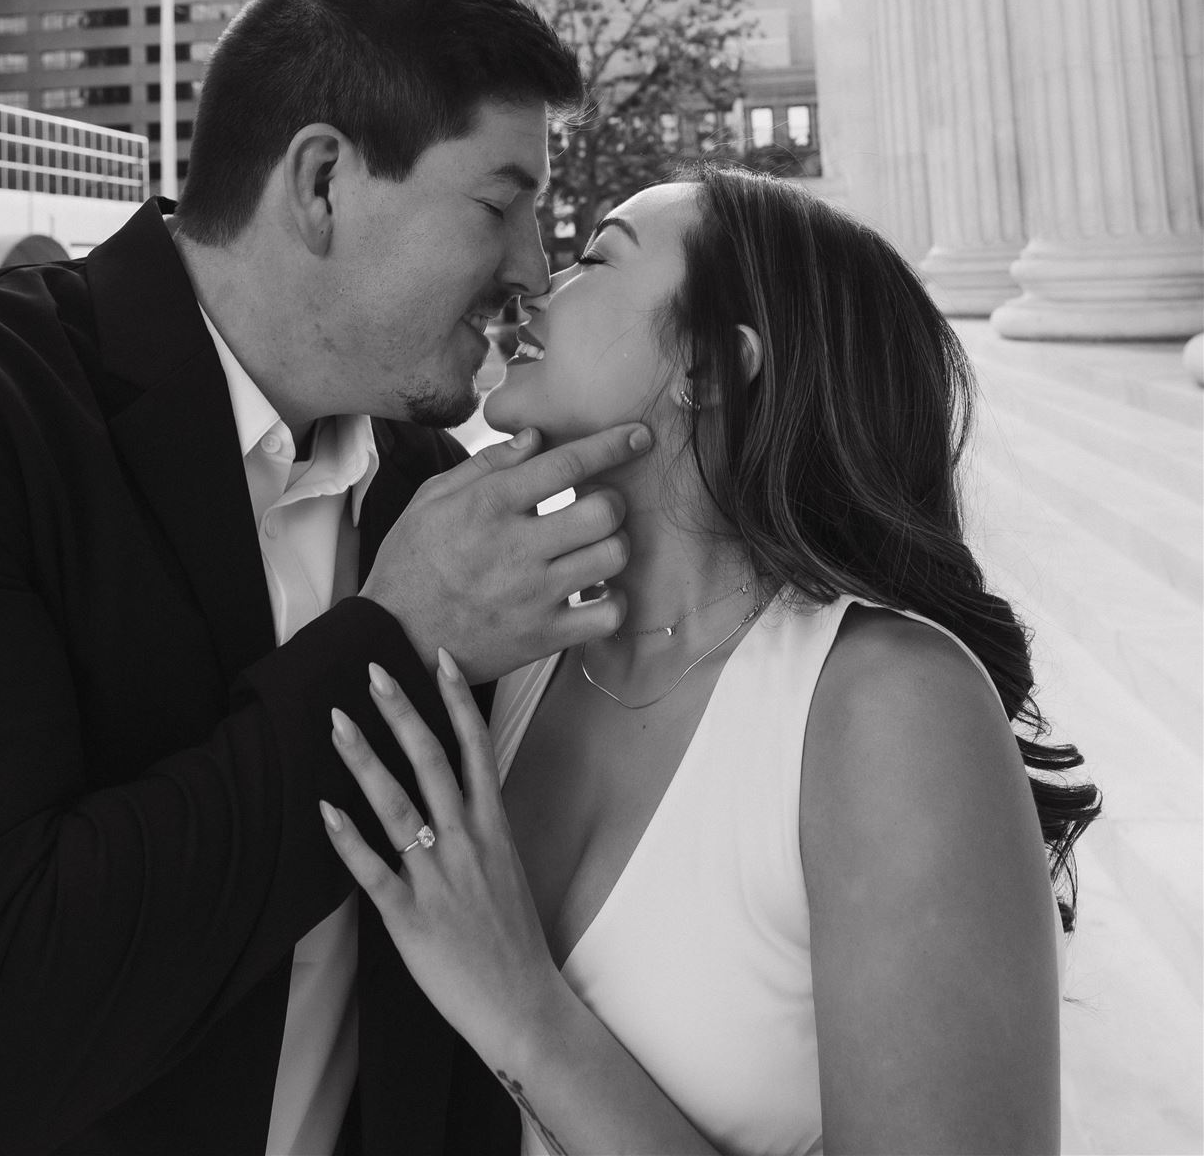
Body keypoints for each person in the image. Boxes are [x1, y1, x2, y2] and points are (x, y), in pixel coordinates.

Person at [0, 0, 647, 1156]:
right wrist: (394, 640)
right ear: (320, 180)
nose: (533, 268)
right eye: (499, 203)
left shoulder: (432, 496)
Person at [322, 165, 1102, 1156]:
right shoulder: (503, 650)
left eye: (596, 255)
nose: (533, 286)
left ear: (709, 364)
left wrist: (528, 1014)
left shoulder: (886, 708)